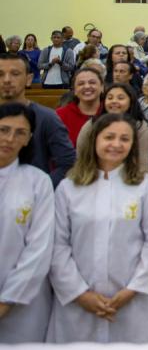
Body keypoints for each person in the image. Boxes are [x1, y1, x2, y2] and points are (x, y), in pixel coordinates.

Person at [47, 113, 148, 342]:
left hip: (133, 299)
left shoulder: (145, 185)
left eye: (124, 139)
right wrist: (80, 294)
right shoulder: (69, 187)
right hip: (78, 300)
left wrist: (133, 289)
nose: (116, 144)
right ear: (94, 140)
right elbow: (58, 245)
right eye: (109, 137)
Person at [0, 103, 55, 342]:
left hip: (23, 304)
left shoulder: (38, 182)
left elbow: (40, 247)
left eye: (20, 132)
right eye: (3, 130)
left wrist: (7, 300)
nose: (9, 139)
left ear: (28, 138)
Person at [0, 54, 76, 186]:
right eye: (0, 74)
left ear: (29, 79)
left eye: (15, 74)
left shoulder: (47, 118)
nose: (7, 80)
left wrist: (41, 187)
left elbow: (68, 162)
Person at [76, 83, 148, 175]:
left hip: (131, 177)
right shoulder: (92, 124)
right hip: (92, 175)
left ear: (131, 101)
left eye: (120, 98)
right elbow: (81, 156)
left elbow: (142, 165)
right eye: (110, 98)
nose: (114, 101)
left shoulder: (141, 128)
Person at [56, 68, 104, 146]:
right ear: (75, 90)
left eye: (92, 82)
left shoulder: (111, 112)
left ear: (102, 87)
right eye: (81, 84)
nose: (87, 86)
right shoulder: (60, 116)